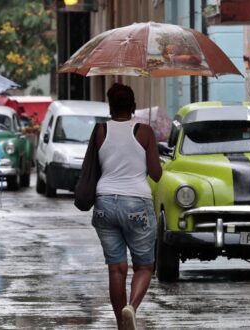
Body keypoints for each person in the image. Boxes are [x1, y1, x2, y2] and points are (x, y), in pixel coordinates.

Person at [89, 83, 162, 329]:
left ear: (110, 107)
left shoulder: (100, 130)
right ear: (133, 107)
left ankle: (122, 324)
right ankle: (131, 308)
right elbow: (156, 174)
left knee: (116, 269)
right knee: (143, 266)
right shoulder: (145, 131)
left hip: (104, 203)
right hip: (136, 203)